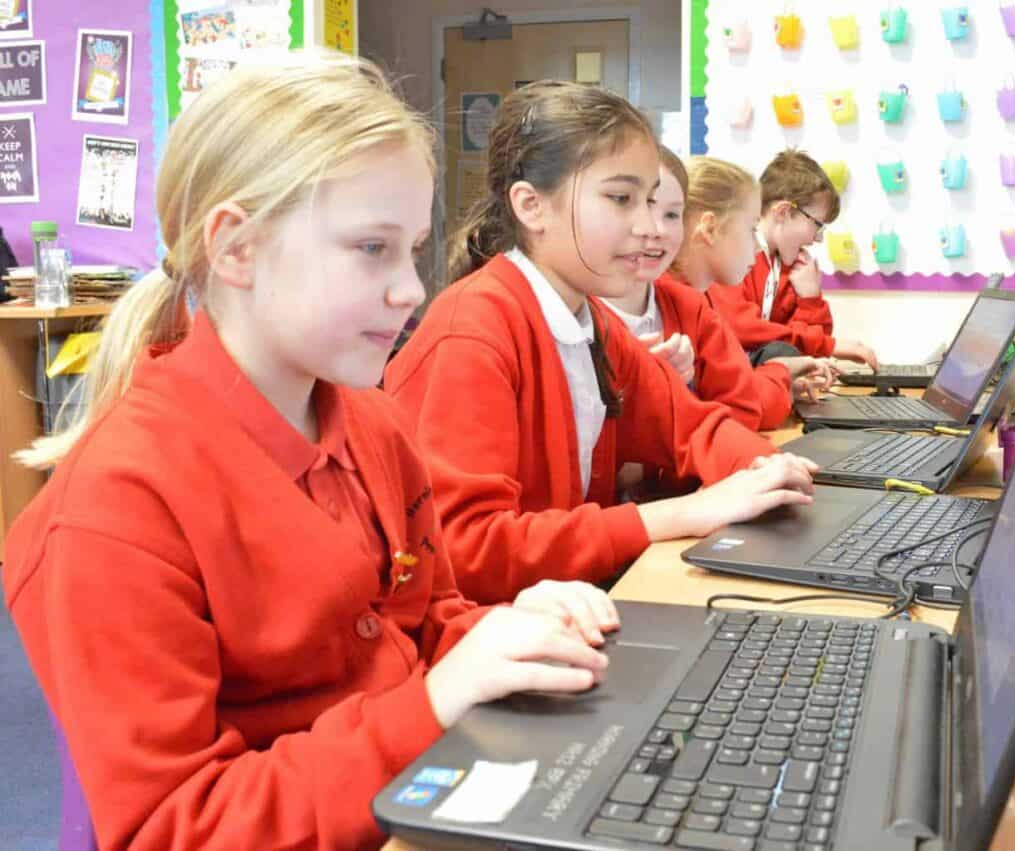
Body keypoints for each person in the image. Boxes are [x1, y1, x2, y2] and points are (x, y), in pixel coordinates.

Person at [3, 53, 618, 851]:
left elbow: (418, 623)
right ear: (237, 249)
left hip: (409, 800)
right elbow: (173, 827)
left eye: (412, 250)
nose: (410, 290)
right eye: (372, 248)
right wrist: (435, 702)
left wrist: (506, 630)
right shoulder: (118, 506)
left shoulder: (374, 424)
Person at [384, 81, 818, 605]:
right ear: (531, 206)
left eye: (652, 201)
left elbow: (690, 424)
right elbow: (466, 550)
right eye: (621, 199)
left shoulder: (588, 320)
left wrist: (769, 471)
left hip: (556, 609)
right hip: (485, 640)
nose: (647, 225)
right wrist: (677, 515)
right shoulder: (475, 327)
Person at [602, 149, 831, 432]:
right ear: (709, 228)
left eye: (673, 215)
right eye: (750, 229)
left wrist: (780, 376)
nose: (757, 245)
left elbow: (739, 404)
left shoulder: (690, 304)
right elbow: (741, 409)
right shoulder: (671, 301)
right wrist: (779, 374)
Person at [708, 149, 880, 369]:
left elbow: (800, 350)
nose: (817, 239)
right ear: (784, 212)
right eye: (817, 224)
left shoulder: (788, 267)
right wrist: (828, 345)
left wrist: (810, 299)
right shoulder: (734, 255)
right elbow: (742, 327)